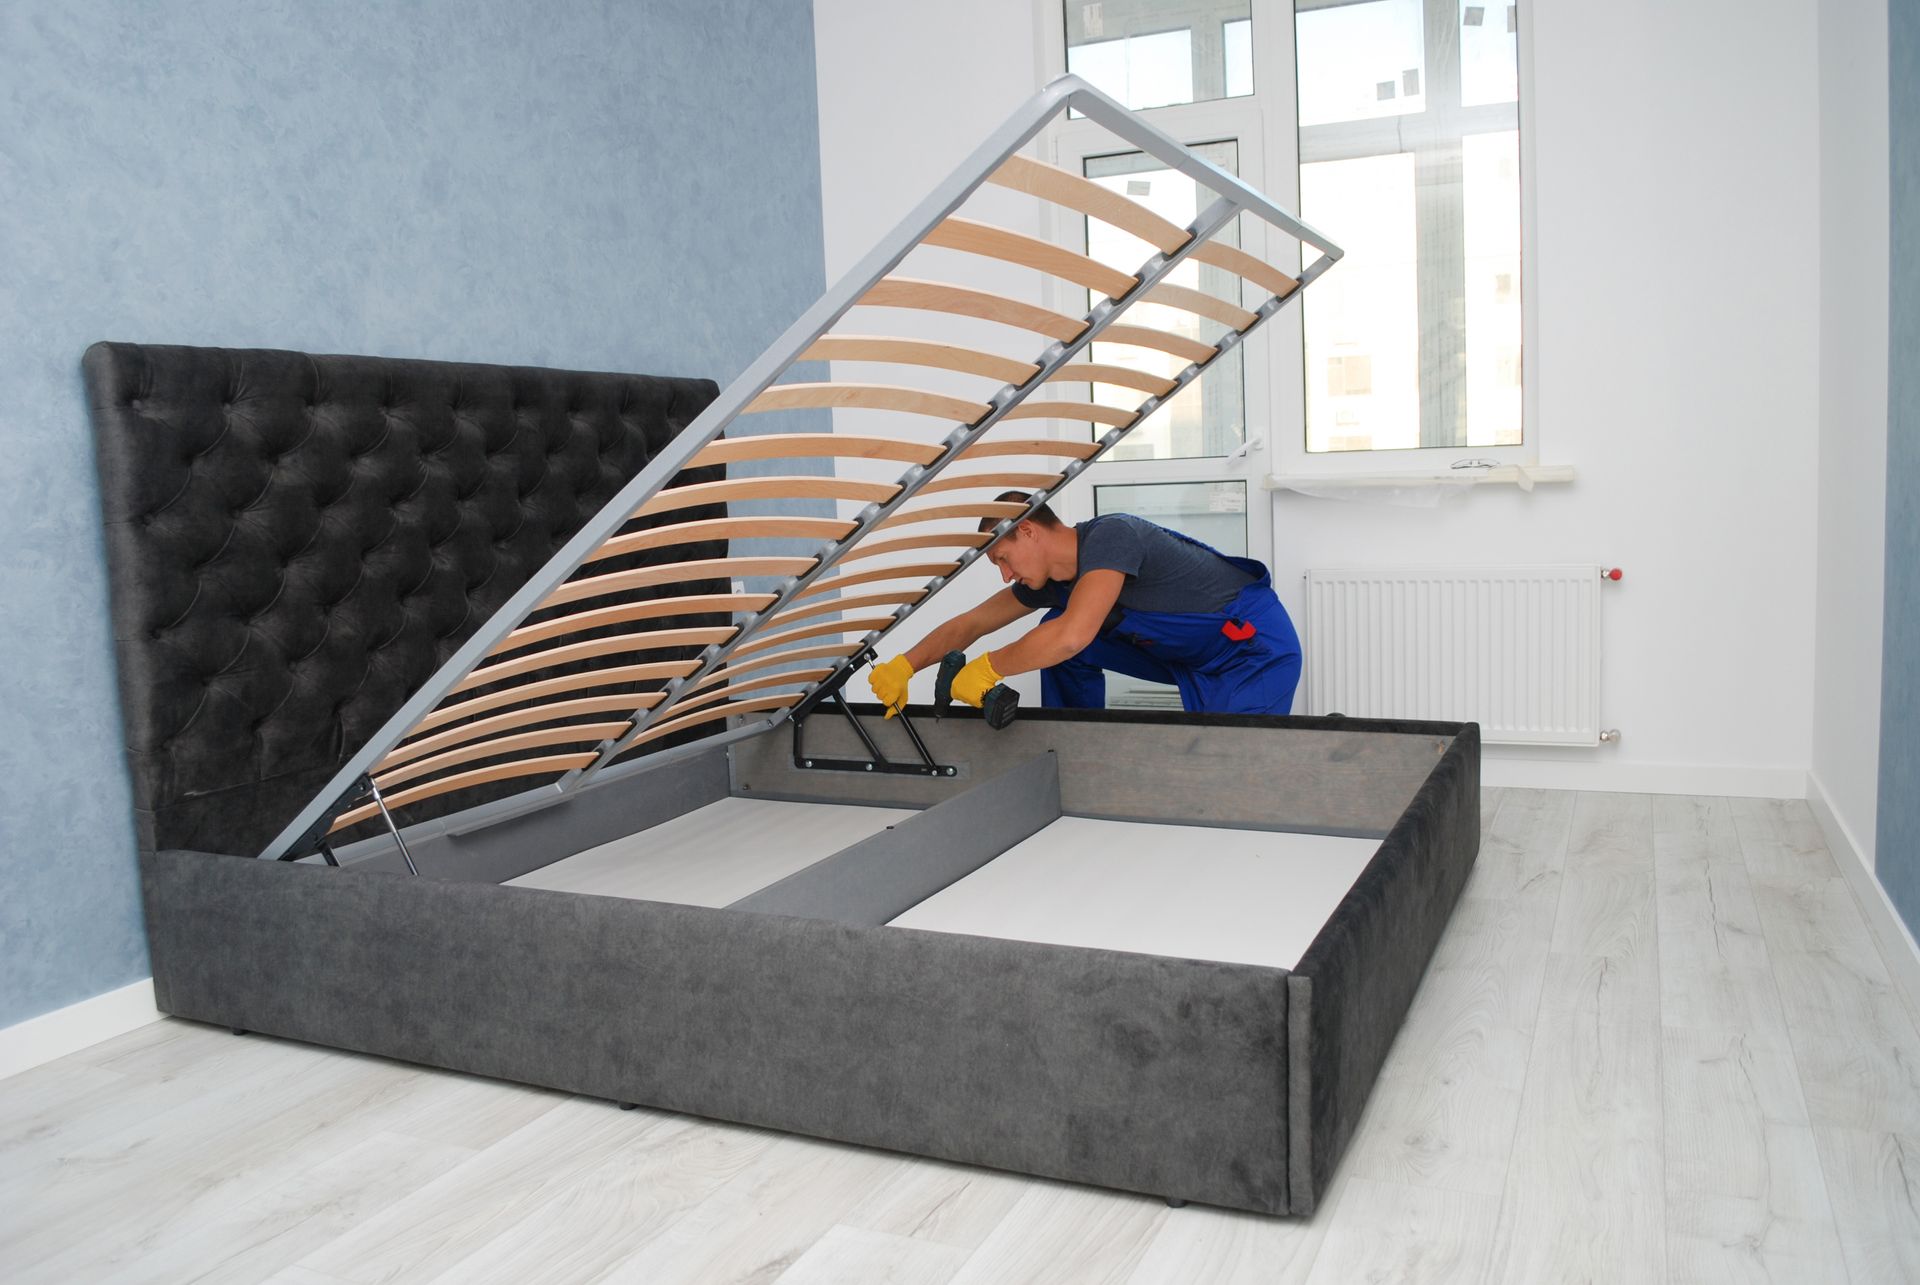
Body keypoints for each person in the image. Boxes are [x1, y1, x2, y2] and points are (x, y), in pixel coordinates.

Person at [868, 492, 1302, 718]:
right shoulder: (1054, 582)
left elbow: (1073, 637)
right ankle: (1077, 736)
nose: (1005, 574)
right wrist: (905, 665)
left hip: (1251, 651)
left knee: (1233, 772)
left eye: (1003, 559)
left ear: (1029, 532)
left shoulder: (1113, 535)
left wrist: (989, 668)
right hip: (1189, 656)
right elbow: (974, 622)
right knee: (1055, 625)